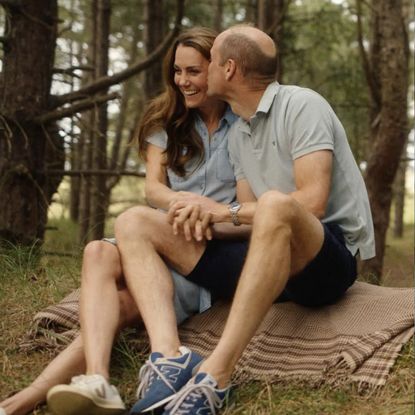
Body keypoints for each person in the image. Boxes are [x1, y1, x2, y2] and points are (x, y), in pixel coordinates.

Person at [114, 25, 375, 414]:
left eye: (211, 62)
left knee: (274, 204)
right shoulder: (240, 132)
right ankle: (168, 358)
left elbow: (312, 202)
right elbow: (246, 220)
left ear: (229, 69)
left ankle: (215, 378)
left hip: (325, 259)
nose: (201, 72)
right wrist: (197, 220)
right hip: (267, 258)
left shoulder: (303, 105)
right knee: (136, 220)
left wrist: (221, 210)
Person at [0, 27, 250, 415]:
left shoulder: (244, 125)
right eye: (177, 71)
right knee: (98, 251)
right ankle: (98, 379)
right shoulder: (166, 119)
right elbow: (153, 189)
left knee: (122, 304)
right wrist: (187, 203)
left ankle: (39, 389)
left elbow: (245, 205)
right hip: (157, 232)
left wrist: (207, 214)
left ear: (218, 71)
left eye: (194, 72)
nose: (183, 81)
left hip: (203, 249)